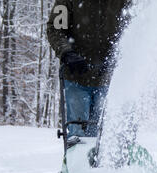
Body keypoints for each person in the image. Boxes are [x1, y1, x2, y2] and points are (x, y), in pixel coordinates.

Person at [47, 0, 131, 138]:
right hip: (76, 77)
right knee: (78, 136)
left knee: (106, 136)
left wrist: (118, 56)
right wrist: (67, 52)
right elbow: (56, 28)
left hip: (111, 80)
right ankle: (77, 157)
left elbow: (135, 27)